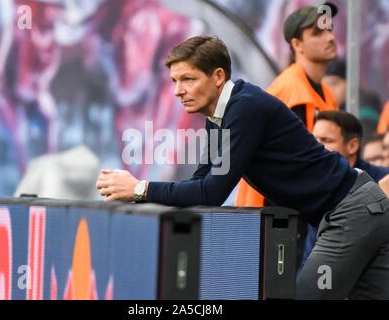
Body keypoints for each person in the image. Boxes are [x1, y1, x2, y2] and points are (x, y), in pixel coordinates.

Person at [96, 35, 389, 299]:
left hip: (351, 212)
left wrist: (139, 189)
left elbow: (211, 192)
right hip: (357, 210)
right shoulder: (219, 117)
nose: (178, 91)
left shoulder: (246, 108)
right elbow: (201, 181)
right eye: (174, 81)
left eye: (187, 79)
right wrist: (142, 191)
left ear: (218, 77)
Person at [235, 2, 338, 209]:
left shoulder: (325, 93)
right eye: (318, 32)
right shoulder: (291, 89)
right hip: (272, 213)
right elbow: (288, 167)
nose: (330, 37)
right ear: (296, 44)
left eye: (330, 29)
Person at [300, 111, 389, 271]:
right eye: (314, 140)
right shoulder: (315, 183)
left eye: (326, 140)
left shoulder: (383, 181)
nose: (316, 146)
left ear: (352, 145)